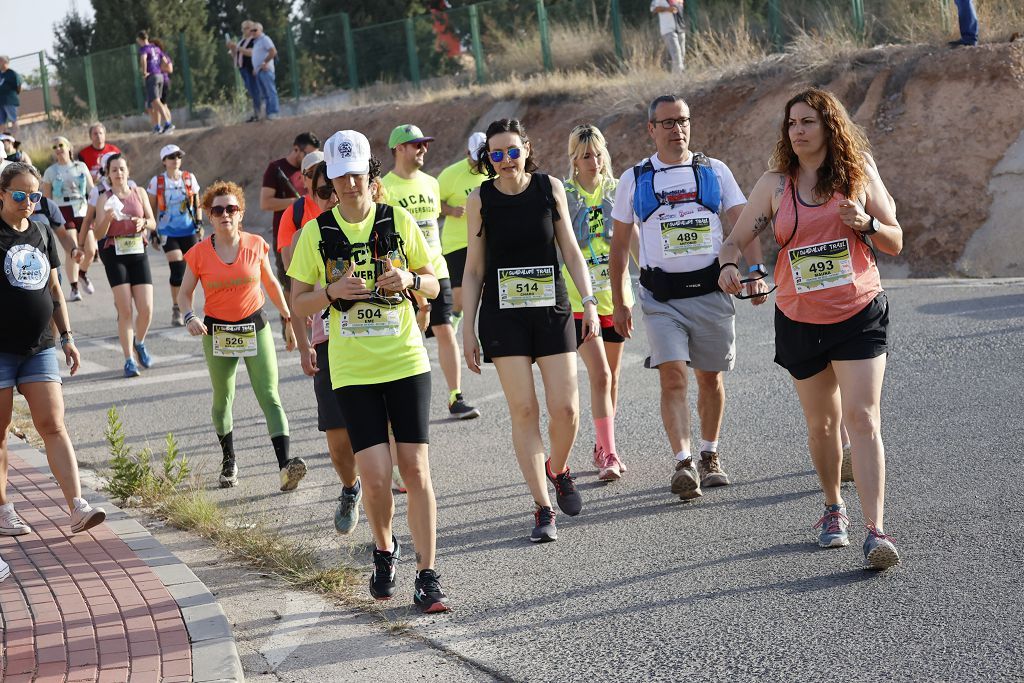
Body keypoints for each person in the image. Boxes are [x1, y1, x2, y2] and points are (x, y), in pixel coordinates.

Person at [717, 88, 903, 570]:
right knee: (822, 425)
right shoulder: (776, 185)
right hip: (800, 319)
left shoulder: (858, 172)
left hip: (858, 310)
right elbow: (735, 241)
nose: (797, 131)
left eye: (808, 122)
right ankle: (831, 507)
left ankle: (876, 530)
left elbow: (895, 239)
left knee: (862, 419)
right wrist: (731, 268)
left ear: (829, 126)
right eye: (792, 123)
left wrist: (864, 223)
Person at [288, 129, 450, 613]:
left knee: (415, 469)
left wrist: (411, 279)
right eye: (340, 177)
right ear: (330, 182)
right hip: (353, 368)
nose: (350, 184)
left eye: (357, 174)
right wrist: (333, 291)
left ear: (369, 175)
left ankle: (427, 574)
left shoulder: (396, 218)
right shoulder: (317, 233)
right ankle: (385, 549)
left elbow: (436, 284)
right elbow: (299, 303)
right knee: (376, 479)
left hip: (404, 359)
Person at [608, 94, 768, 502]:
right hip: (660, 297)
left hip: (712, 291)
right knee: (673, 374)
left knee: (709, 378)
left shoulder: (714, 171)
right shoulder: (635, 178)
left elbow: (743, 223)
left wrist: (755, 272)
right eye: (667, 123)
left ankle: (709, 454)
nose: (677, 129)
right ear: (651, 129)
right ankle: (683, 463)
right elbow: (619, 246)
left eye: (682, 121)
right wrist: (620, 302)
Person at [462, 119, 599, 543]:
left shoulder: (549, 188)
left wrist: (589, 302)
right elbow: (474, 269)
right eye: (496, 154)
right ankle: (542, 507)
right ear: (488, 158)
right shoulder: (479, 199)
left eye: (512, 151)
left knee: (567, 411)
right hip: (504, 317)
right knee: (524, 410)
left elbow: (572, 253)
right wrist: (467, 328)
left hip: (552, 311)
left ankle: (557, 469)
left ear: (526, 148)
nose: (505, 160)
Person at [0, 162, 106, 553]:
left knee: (53, 423)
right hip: (0, 351)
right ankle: (4, 508)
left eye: (34, 196)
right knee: (0, 430)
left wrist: (68, 337)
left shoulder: (43, 231)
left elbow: (56, 289)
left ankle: (77, 505)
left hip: (40, 346)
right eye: (19, 195)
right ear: (1, 193)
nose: (28, 202)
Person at [178, 181, 301, 492]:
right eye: (218, 210)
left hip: (254, 326)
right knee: (223, 400)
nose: (225, 214)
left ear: (241, 213)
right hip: (218, 331)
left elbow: (271, 284)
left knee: (270, 395)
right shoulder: (199, 253)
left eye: (231, 209)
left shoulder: (256, 244)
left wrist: (288, 318)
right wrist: (190, 316)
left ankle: (285, 466)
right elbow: (184, 294)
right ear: (208, 215)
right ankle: (229, 459)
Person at [282, 159, 362, 533]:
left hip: (375, 338)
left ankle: (383, 479)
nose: (334, 197)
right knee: (338, 440)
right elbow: (295, 296)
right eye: (324, 191)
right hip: (328, 340)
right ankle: (351, 486)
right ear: (311, 195)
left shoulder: (376, 223)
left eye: (339, 187)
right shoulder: (306, 237)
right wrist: (302, 346)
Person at [382, 124, 480, 420]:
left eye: (425, 144)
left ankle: (455, 396)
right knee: (405, 338)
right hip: (401, 275)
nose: (423, 149)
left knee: (446, 330)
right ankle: (395, 402)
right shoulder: (385, 187)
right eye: (416, 145)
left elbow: (434, 220)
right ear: (399, 148)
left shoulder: (431, 183)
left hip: (436, 269)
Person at [563, 124, 633, 481]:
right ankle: (609, 454)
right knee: (601, 374)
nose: (594, 161)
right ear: (574, 159)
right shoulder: (565, 195)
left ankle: (602, 442)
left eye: (598, 153)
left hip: (615, 298)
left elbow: (631, 242)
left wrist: (649, 280)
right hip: (579, 301)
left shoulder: (618, 191)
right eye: (586, 155)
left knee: (613, 378)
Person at [92, 154, 157, 378]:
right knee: (125, 309)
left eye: (121, 169)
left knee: (147, 308)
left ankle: (139, 342)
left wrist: (144, 223)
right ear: (108, 175)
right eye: (114, 170)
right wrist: (108, 219)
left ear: (128, 171)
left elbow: (153, 222)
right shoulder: (104, 198)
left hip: (138, 250)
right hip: (114, 253)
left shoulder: (138, 192)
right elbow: (98, 233)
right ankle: (129, 359)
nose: (118, 173)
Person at [147, 144, 202, 326]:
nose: (176, 160)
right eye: (171, 157)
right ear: (164, 161)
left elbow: (197, 203)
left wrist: (199, 223)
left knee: (191, 270)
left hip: (188, 230)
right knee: (177, 268)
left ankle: (189, 311)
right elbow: (151, 207)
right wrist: (152, 231)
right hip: (168, 232)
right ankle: (177, 308)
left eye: (178, 156)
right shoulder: (158, 182)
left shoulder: (189, 178)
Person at [437, 131, 487, 332]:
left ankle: (487, 331)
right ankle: (456, 317)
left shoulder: (496, 169)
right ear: (467, 153)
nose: (479, 164)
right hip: (457, 242)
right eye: (476, 159)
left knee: (486, 290)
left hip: (486, 240)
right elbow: (433, 203)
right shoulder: (451, 174)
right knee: (459, 296)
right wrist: (451, 210)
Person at [261, 132, 320, 293]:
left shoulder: (318, 169)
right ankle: (287, 317)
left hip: (311, 230)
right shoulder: (275, 169)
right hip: (285, 233)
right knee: (289, 282)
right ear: (296, 149)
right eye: (308, 153)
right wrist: (295, 203)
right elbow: (265, 202)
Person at [41, 136, 94, 302]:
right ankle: (74, 287)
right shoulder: (51, 171)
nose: (58, 148)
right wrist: (50, 219)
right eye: (54, 146)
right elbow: (47, 198)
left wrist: (96, 210)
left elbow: (92, 191)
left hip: (82, 208)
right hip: (63, 210)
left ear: (69, 147)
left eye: (61, 145)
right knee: (71, 248)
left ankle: (82, 274)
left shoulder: (81, 166)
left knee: (91, 249)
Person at [275, 150, 324, 256]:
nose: (319, 178)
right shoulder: (293, 213)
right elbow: (289, 265)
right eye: (312, 174)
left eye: (324, 171)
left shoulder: (345, 205)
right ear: (303, 180)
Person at [136, 31, 174, 134]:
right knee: (154, 103)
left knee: (156, 101)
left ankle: (168, 124)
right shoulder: (156, 48)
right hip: (160, 76)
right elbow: (165, 60)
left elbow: (143, 59)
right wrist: (160, 67)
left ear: (140, 39)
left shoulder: (144, 49)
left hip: (152, 76)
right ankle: (157, 127)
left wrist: (144, 72)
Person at [228, 20, 261, 123]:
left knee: (255, 90)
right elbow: (235, 55)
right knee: (251, 91)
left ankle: (258, 113)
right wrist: (232, 49)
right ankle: (256, 113)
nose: (244, 30)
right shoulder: (242, 41)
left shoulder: (254, 40)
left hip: (250, 68)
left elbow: (251, 53)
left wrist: (237, 48)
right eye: (243, 28)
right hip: (242, 69)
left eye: (247, 28)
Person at [249, 23, 280, 121]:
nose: (253, 32)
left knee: (270, 91)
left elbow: (273, 51)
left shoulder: (265, 39)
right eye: (251, 30)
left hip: (266, 70)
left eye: (255, 30)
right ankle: (268, 113)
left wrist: (264, 62)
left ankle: (273, 112)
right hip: (259, 71)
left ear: (260, 30)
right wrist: (256, 68)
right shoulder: (256, 42)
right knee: (265, 94)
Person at [651, 1, 686, 74]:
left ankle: (675, 78)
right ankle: (680, 79)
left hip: (680, 29)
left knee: (681, 55)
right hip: (668, 30)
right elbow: (653, 9)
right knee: (677, 55)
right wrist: (667, 9)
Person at [0, 56, 22, 136]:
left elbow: (18, 86)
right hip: (0, 102)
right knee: (1, 122)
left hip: (9, 101)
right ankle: (2, 140)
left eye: (0, 61)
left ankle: (16, 139)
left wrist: (11, 96)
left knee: (13, 119)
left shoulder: (12, 73)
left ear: (6, 62)